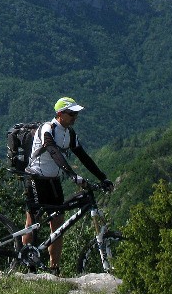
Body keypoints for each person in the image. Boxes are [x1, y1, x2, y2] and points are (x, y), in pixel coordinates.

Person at [22, 96, 113, 274]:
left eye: (76, 113)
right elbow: (53, 152)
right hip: (35, 179)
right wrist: (72, 175)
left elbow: (83, 156)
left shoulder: (69, 134)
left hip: (53, 181)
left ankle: (54, 268)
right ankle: (27, 263)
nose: (75, 117)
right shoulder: (47, 129)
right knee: (33, 222)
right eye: (72, 114)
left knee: (58, 225)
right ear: (60, 114)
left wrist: (103, 178)